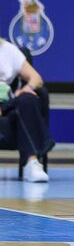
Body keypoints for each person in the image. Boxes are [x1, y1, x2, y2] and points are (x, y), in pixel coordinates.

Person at [0, 36, 52, 182]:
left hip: (6, 104)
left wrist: (27, 88)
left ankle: (31, 163)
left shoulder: (9, 50)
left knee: (28, 99)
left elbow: (36, 78)